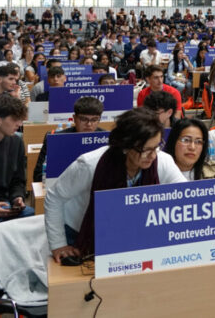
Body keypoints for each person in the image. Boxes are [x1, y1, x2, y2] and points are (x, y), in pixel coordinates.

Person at [45, 107, 186, 262]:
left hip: (128, 234)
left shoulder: (162, 160)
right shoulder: (90, 164)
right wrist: (58, 244)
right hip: (81, 233)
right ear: (125, 146)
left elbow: (184, 195)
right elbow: (54, 197)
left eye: (157, 146)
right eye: (145, 150)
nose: (153, 155)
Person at [0, 95, 33, 241]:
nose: (19, 124)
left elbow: (18, 180)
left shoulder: (16, 142)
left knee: (33, 217)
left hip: (5, 204)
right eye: (15, 119)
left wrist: (18, 198)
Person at [33, 96, 103, 183]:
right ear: (74, 118)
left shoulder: (106, 140)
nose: (89, 124)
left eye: (94, 120)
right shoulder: (56, 139)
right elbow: (38, 175)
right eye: (84, 119)